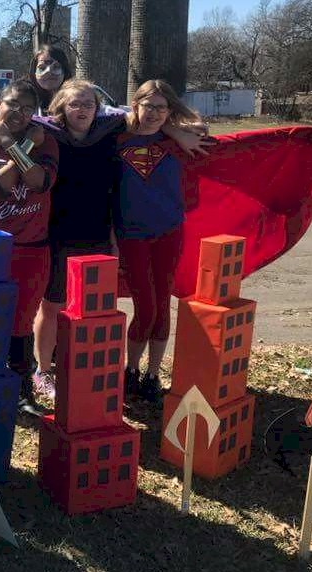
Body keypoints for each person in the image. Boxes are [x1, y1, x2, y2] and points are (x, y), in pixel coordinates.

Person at [28, 81, 214, 406]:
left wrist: (177, 130)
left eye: (88, 102)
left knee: (110, 309)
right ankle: (46, 371)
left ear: (98, 108)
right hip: (71, 233)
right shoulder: (62, 133)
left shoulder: (117, 131)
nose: (82, 108)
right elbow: (13, 123)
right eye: (75, 103)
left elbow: (184, 126)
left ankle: (136, 372)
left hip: (115, 232)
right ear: (61, 106)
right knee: (56, 304)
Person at [0, 79, 59, 404]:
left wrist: (22, 146)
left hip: (32, 247)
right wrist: (5, 143)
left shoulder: (45, 142)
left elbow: (38, 180)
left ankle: (21, 391)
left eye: (28, 108)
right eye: (12, 104)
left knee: (22, 321)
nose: (19, 112)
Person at [117, 79, 203, 404]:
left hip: (168, 231)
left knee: (162, 303)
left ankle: (153, 374)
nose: (153, 113)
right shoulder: (118, 138)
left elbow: (203, 128)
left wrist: (174, 129)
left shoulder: (177, 138)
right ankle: (131, 369)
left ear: (170, 111)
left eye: (161, 107)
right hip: (131, 234)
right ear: (135, 104)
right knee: (146, 306)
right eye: (148, 105)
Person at [29, 45, 72, 114]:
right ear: (34, 73)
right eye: (42, 68)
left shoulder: (77, 99)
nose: (48, 72)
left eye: (56, 67)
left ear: (65, 71)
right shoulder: (26, 101)